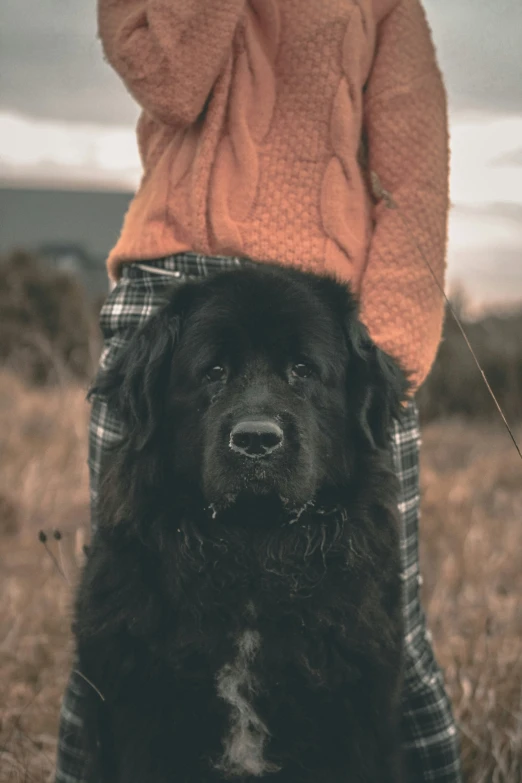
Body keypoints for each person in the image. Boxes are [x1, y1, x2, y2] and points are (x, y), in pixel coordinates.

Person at [55, 1, 462, 780]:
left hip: (324, 325)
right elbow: (169, 80)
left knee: (386, 632)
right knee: (126, 617)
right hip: (171, 314)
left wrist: (376, 359)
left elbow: (417, 173)